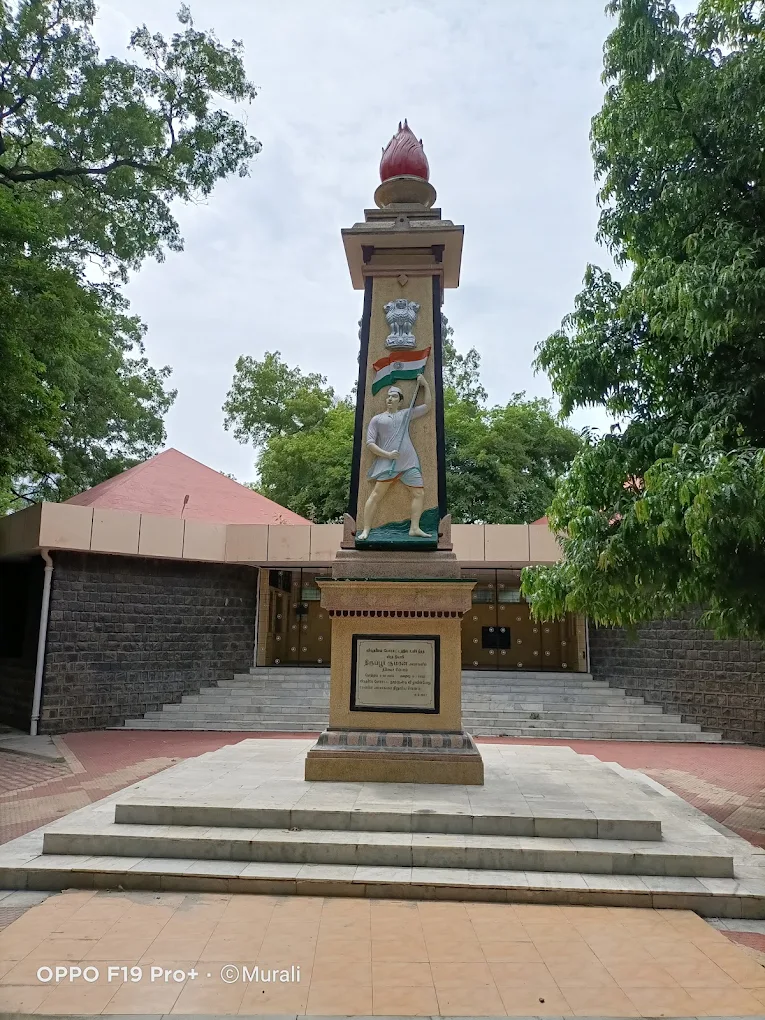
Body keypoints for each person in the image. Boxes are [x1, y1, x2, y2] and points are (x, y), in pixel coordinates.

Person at [357, 374, 432, 540]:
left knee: (418, 493)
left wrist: (425, 384)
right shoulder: (377, 419)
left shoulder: (405, 414)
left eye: (394, 396)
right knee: (376, 495)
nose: (390, 399)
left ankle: (414, 528)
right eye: (388, 396)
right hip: (387, 464)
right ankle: (366, 530)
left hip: (408, 462)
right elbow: (370, 444)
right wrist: (387, 455)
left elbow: (427, 406)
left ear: (400, 400)